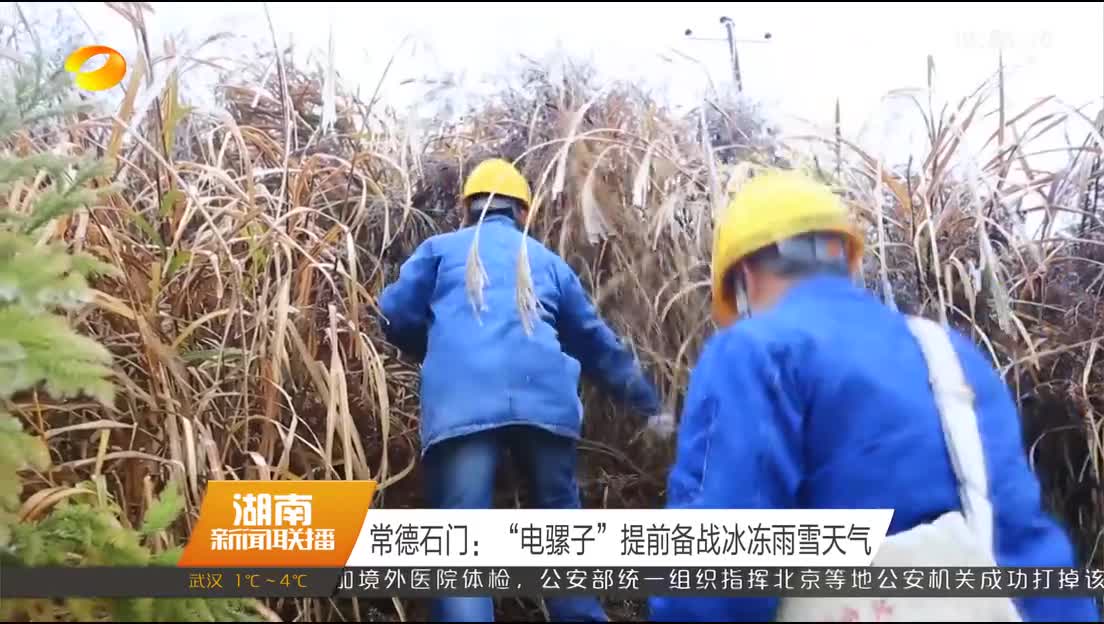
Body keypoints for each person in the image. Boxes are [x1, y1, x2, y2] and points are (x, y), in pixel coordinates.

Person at [648, 170, 1100, 622]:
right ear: (845, 259)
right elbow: (1029, 557)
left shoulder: (752, 351)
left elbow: (719, 579)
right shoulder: (953, 356)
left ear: (744, 275)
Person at [379, 157, 674, 623]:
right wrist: (650, 406)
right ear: (522, 212)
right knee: (558, 530)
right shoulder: (548, 263)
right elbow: (598, 345)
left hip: (463, 408)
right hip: (546, 407)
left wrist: (434, 348)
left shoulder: (439, 249)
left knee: (463, 543)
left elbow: (393, 314)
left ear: (466, 210)